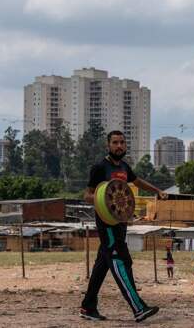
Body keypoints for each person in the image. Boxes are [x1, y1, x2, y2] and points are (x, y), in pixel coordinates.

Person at [80, 130, 167, 323]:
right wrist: (102, 198)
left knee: (102, 266)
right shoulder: (100, 168)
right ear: (108, 145)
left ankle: (88, 307)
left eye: (122, 143)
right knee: (121, 261)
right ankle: (138, 308)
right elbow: (87, 195)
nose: (119, 146)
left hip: (121, 223)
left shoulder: (125, 167)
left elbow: (137, 181)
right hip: (107, 225)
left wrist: (158, 190)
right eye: (115, 143)